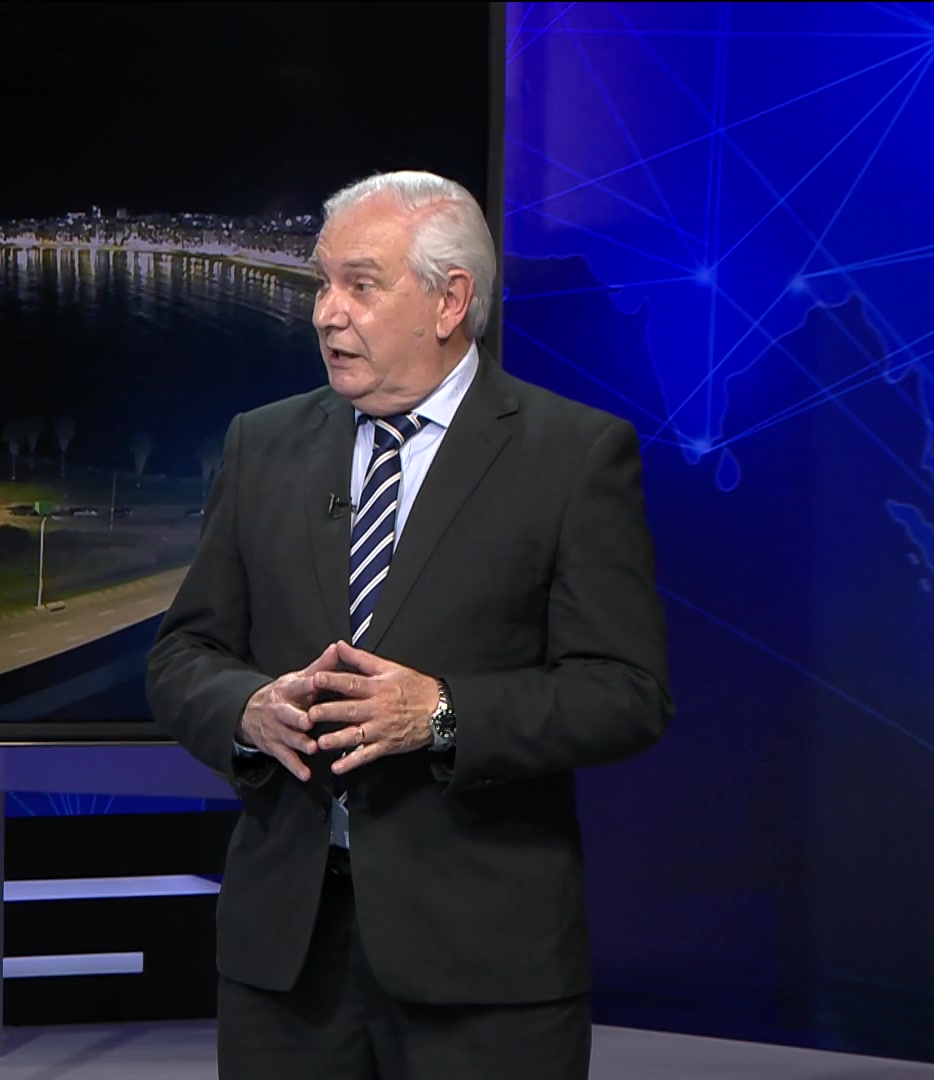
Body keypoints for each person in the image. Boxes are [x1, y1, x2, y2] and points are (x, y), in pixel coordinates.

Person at [145, 170, 673, 1079]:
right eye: (323, 283)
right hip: (286, 962)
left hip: (483, 966)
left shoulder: (573, 456)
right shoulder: (261, 444)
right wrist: (246, 708)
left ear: (449, 301)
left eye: (360, 284)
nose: (325, 313)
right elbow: (183, 654)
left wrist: (442, 714)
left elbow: (626, 693)